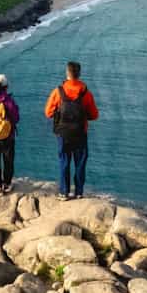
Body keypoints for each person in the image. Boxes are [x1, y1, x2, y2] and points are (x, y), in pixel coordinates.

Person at [43, 60, 100, 198]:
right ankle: (79, 192)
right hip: (80, 133)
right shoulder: (85, 92)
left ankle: (64, 192)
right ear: (79, 74)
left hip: (63, 133)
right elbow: (94, 115)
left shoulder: (58, 91)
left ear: (67, 73)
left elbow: (48, 112)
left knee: (64, 161)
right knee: (80, 162)